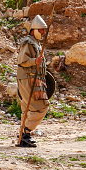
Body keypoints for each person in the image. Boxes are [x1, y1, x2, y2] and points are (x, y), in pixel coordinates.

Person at [16, 15, 49, 148]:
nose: (43, 33)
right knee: (41, 106)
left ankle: (23, 138)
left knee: (27, 110)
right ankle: (26, 132)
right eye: (40, 30)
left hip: (33, 78)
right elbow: (22, 60)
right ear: (34, 30)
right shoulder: (28, 43)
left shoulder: (35, 43)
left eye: (43, 30)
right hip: (28, 78)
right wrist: (35, 61)